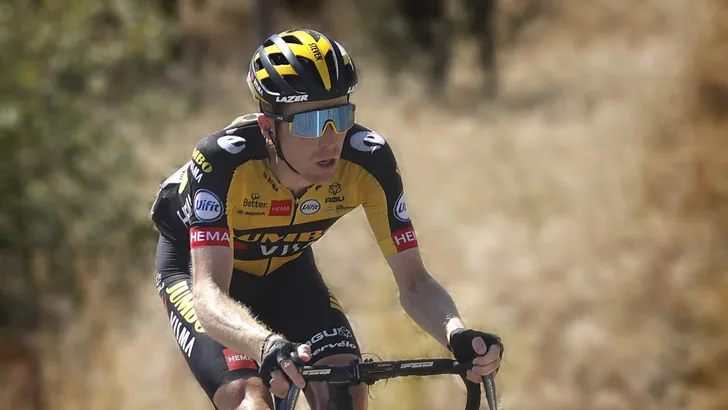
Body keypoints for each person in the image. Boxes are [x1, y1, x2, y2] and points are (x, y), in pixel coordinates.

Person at [150, 28, 504, 410]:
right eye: (310, 122)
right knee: (250, 399)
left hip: (286, 265)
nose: (330, 138)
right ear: (268, 127)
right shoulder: (223, 162)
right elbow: (210, 293)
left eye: (340, 116)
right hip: (198, 268)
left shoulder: (369, 161)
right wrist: (264, 345)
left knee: (344, 391)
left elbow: (415, 283)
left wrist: (457, 334)